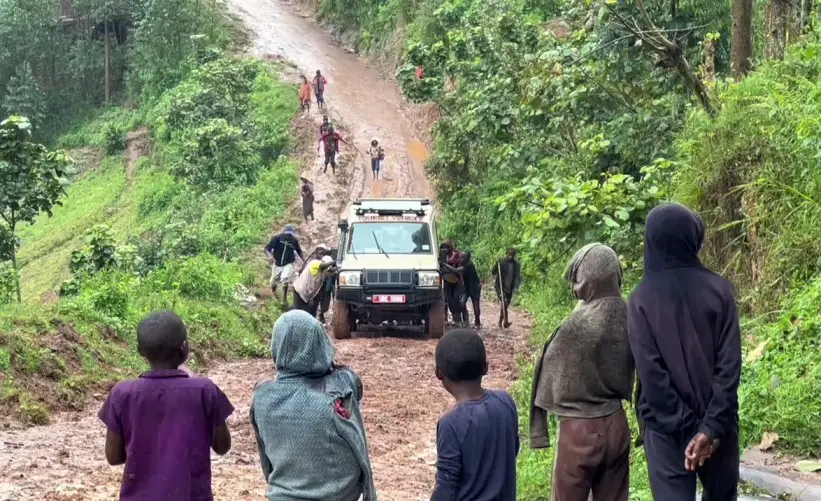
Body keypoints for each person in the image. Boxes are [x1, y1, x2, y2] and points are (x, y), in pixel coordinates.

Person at [628, 203, 741, 501]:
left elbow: (652, 377)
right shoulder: (720, 291)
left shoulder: (641, 299)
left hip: (666, 433)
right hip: (719, 431)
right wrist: (709, 431)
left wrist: (690, 430)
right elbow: (729, 371)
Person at [530, 243, 635, 501]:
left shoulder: (574, 326)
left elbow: (545, 370)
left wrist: (538, 430)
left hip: (579, 430)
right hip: (617, 423)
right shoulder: (631, 314)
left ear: (587, 279)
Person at [98, 311, 234, 500]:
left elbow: (113, 457)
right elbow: (222, 446)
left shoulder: (123, 393)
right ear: (184, 348)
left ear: (140, 350)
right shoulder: (205, 390)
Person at [250, 310, 376, 501]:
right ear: (320, 343)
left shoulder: (262, 397)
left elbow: (267, 467)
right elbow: (356, 386)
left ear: (278, 346)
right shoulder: (341, 386)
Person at [431, 329, 519, 500]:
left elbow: (446, 486)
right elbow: (513, 450)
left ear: (439, 373)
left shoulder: (450, 423)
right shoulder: (505, 402)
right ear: (486, 367)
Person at [265, 224, 305, 308]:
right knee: (273, 281)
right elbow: (267, 248)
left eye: (290, 235)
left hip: (288, 263)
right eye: (287, 234)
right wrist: (270, 256)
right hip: (277, 263)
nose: (288, 237)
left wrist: (304, 261)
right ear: (284, 233)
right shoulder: (277, 238)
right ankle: (274, 295)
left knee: (284, 278)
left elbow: (299, 251)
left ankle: (284, 299)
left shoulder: (294, 240)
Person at [292, 249, 336, 316]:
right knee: (299, 312)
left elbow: (331, 271)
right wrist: (334, 261)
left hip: (306, 294)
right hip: (299, 291)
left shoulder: (322, 272)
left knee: (307, 313)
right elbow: (324, 266)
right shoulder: (314, 263)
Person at [492, 248, 521, 329]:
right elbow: (493, 272)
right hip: (500, 287)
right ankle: (505, 322)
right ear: (507, 253)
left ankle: (501, 321)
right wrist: (496, 265)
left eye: (513, 254)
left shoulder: (516, 265)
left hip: (509, 289)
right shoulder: (501, 262)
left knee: (505, 306)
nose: (511, 256)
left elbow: (517, 277)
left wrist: (515, 287)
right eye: (510, 254)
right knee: (504, 303)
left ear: (515, 255)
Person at [440, 241, 465, 326]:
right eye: (443, 248)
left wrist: (445, 266)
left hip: (456, 280)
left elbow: (456, 268)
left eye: (446, 247)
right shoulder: (441, 256)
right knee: (448, 300)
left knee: (456, 300)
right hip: (447, 280)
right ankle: (449, 319)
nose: (445, 249)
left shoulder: (456, 254)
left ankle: (459, 319)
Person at [318, 247, 338, 324]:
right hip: (327, 280)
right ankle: (322, 314)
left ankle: (333, 317)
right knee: (326, 299)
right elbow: (327, 269)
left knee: (334, 299)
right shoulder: (327, 259)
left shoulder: (327, 259)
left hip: (332, 280)